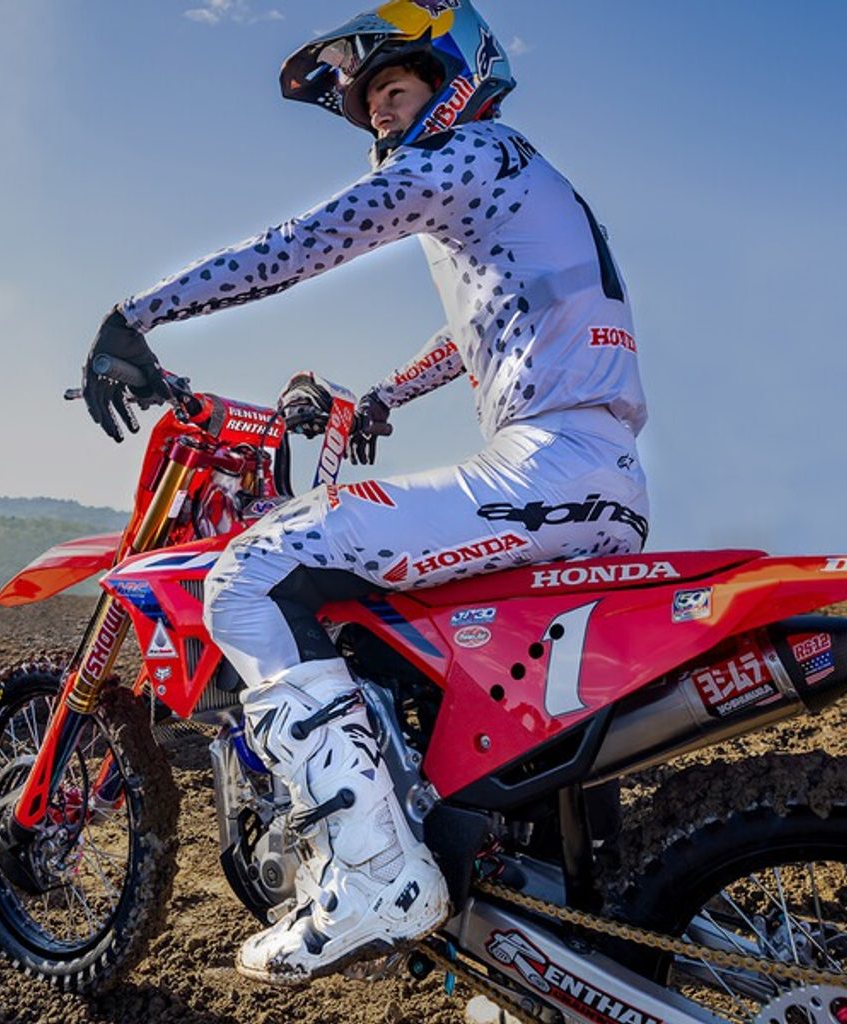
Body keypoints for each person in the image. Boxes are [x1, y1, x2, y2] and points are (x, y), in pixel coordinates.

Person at [82, 0, 649, 986]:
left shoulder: (467, 156)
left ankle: (374, 870)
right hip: (599, 478)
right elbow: (487, 324)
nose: (378, 113)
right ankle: (525, 901)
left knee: (250, 575)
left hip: (548, 468)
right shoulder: (518, 179)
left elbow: (303, 243)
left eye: (392, 86)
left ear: (452, 76)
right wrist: (385, 395)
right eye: (367, 102)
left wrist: (140, 316)